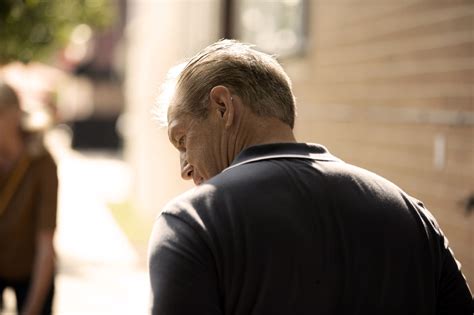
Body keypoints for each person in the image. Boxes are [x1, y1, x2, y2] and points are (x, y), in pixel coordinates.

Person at [148, 40, 472, 314]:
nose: (184, 168)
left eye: (182, 141)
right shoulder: (412, 216)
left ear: (222, 107)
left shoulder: (192, 220)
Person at [0, 81, 57, 315]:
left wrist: (31, 309)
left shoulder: (42, 163)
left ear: (13, 116)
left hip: (31, 270)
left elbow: (46, 244)